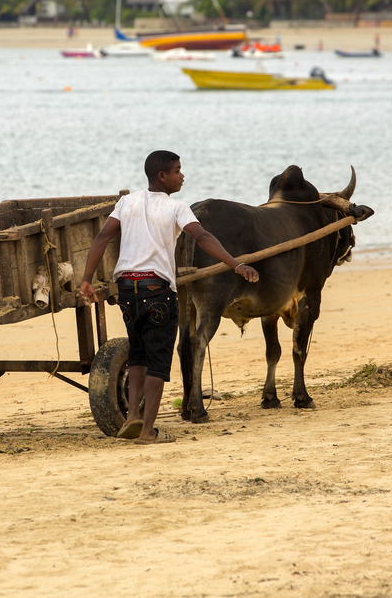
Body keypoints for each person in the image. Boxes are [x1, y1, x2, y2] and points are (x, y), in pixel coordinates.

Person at [79, 150, 259, 444]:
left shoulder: (126, 203)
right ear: (162, 176)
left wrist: (86, 280)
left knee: (138, 355)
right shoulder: (177, 208)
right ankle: (148, 431)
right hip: (157, 292)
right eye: (177, 170)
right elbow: (203, 237)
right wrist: (236, 264)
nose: (182, 175)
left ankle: (133, 419)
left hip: (127, 290)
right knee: (158, 363)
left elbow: (102, 238)